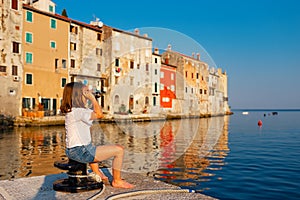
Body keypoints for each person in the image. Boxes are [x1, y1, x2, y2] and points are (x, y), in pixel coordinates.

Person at [60, 82, 134, 189]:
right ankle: (117, 181)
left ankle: (97, 173)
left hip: (74, 149)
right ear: (78, 95)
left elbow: (93, 113)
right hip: (79, 151)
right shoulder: (78, 111)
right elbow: (99, 114)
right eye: (85, 92)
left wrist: (91, 99)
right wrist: (93, 99)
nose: (88, 94)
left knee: (91, 146)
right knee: (119, 150)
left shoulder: (73, 111)